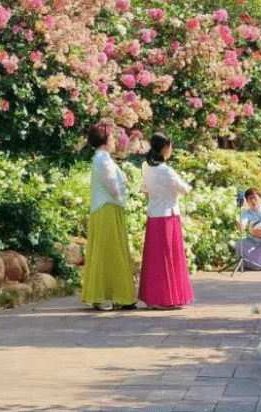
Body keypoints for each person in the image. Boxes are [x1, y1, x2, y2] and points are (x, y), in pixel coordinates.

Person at [80, 121, 138, 311]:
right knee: (109, 253)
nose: (114, 141)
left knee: (109, 252)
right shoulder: (103, 161)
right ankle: (107, 296)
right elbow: (114, 189)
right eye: (112, 137)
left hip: (108, 209)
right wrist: (124, 183)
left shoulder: (103, 159)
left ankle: (111, 295)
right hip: (108, 209)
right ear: (104, 140)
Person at [137, 132, 195, 310]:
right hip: (168, 217)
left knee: (154, 258)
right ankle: (166, 298)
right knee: (169, 258)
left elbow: (145, 192)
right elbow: (184, 189)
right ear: (165, 148)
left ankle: (153, 298)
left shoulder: (148, 169)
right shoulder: (167, 171)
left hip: (153, 215)